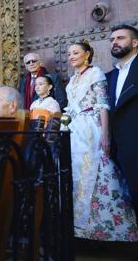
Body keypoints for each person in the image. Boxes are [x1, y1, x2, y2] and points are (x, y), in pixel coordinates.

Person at [65, 41, 137, 241]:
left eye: (76, 52)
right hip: (74, 130)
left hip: (91, 129)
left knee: (96, 172)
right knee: (76, 175)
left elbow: (103, 105)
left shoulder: (95, 73)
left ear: (87, 54)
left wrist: (106, 135)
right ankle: (79, 228)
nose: (71, 56)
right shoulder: (72, 80)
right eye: (69, 53)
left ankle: (107, 231)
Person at [106, 23, 138, 216]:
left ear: (135, 42)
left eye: (120, 38)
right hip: (121, 149)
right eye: (112, 40)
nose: (115, 42)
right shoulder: (110, 76)